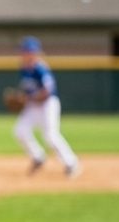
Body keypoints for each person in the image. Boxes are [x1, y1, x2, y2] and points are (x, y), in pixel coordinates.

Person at [13, 36, 80, 177]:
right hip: (33, 106)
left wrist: (29, 98)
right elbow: (27, 88)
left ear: (35, 52)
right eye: (24, 51)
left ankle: (71, 163)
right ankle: (38, 157)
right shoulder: (23, 68)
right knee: (19, 131)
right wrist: (22, 97)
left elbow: (47, 91)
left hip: (48, 104)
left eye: (28, 51)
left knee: (50, 136)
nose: (25, 53)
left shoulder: (40, 68)